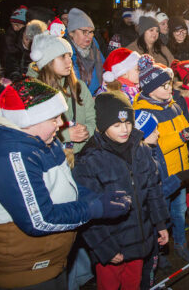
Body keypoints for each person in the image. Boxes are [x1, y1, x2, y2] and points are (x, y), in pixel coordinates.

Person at [0, 78, 130, 289]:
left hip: (48, 267)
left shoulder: (45, 141)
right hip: (19, 277)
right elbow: (38, 219)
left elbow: (64, 188)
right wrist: (94, 208)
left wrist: (95, 198)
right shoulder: (10, 156)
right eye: (54, 118)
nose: (61, 123)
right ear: (28, 120)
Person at [73, 91, 170, 290]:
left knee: (132, 284)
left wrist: (160, 223)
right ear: (101, 126)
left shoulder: (141, 149)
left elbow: (153, 189)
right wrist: (105, 248)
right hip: (111, 245)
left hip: (138, 240)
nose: (124, 130)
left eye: (127, 123)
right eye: (116, 125)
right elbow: (88, 210)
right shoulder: (89, 160)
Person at [132, 55, 189, 263]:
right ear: (149, 89)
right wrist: (182, 137)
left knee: (179, 213)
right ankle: (160, 255)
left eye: (169, 84)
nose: (169, 89)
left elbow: (183, 128)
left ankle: (181, 244)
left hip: (179, 173)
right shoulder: (141, 112)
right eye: (163, 86)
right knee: (160, 217)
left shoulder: (173, 105)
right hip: (161, 176)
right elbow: (154, 143)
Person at [134, 110, 189, 275]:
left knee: (172, 219)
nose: (158, 133)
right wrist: (178, 179)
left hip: (165, 196)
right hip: (154, 211)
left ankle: (168, 252)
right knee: (151, 253)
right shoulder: (142, 159)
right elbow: (156, 192)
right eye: (153, 130)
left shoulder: (154, 149)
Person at [27, 33, 95, 155]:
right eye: (63, 56)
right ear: (47, 61)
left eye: (70, 56)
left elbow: (91, 117)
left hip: (81, 155)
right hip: (48, 156)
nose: (69, 61)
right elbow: (30, 134)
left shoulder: (79, 87)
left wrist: (86, 132)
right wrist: (65, 135)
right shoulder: (32, 91)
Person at [66, 8, 105, 95]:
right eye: (84, 32)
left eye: (91, 32)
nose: (89, 36)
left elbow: (105, 70)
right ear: (71, 33)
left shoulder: (94, 48)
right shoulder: (65, 53)